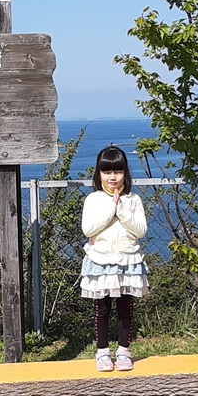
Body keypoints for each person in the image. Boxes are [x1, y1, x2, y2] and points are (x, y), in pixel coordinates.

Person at [80, 145, 148, 372]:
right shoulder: (93, 199)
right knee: (102, 309)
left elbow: (141, 230)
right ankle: (102, 352)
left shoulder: (134, 200)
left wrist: (122, 210)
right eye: (107, 172)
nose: (112, 177)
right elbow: (88, 229)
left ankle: (123, 351)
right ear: (98, 174)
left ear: (125, 173)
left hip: (128, 261)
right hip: (101, 261)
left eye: (118, 171)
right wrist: (112, 209)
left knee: (125, 309)